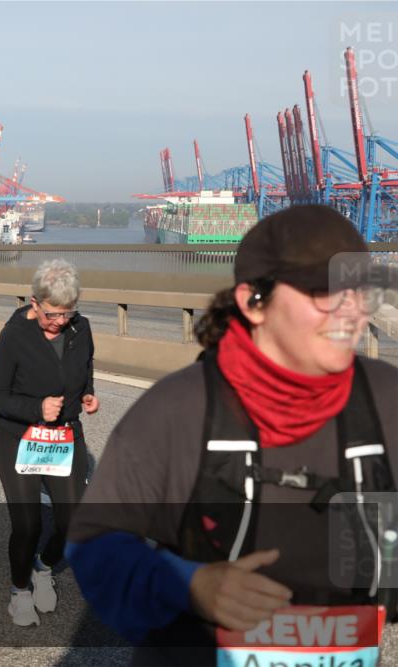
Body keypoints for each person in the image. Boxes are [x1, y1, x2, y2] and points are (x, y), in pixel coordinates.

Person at [66, 205, 398, 666]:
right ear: (252, 301)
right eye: (324, 292)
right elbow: (93, 543)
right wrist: (189, 584)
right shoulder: (179, 409)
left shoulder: (387, 400)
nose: (351, 313)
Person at [0, 259, 98, 626]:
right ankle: (19, 591)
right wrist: (36, 407)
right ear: (34, 303)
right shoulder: (15, 334)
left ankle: (43, 567)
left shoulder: (81, 328)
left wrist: (88, 395)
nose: (60, 321)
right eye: (52, 314)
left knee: (73, 522)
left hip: (64, 435)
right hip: (17, 436)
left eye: (68, 313)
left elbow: (85, 368)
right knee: (28, 525)